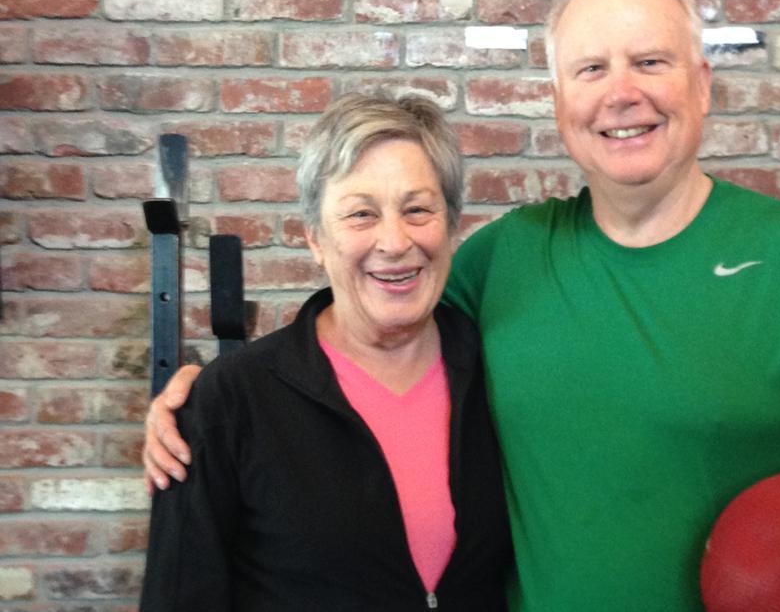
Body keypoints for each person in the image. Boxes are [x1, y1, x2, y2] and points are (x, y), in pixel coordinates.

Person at [144, 0, 780, 612]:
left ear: (702, 83)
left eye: (650, 61)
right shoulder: (501, 261)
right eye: (591, 69)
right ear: (558, 103)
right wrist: (209, 402)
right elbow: (371, 325)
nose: (622, 93)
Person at [139, 94, 512, 611]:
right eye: (361, 214)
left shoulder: (501, 372)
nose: (394, 241)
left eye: (417, 209)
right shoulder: (230, 399)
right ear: (315, 238)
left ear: (451, 225)